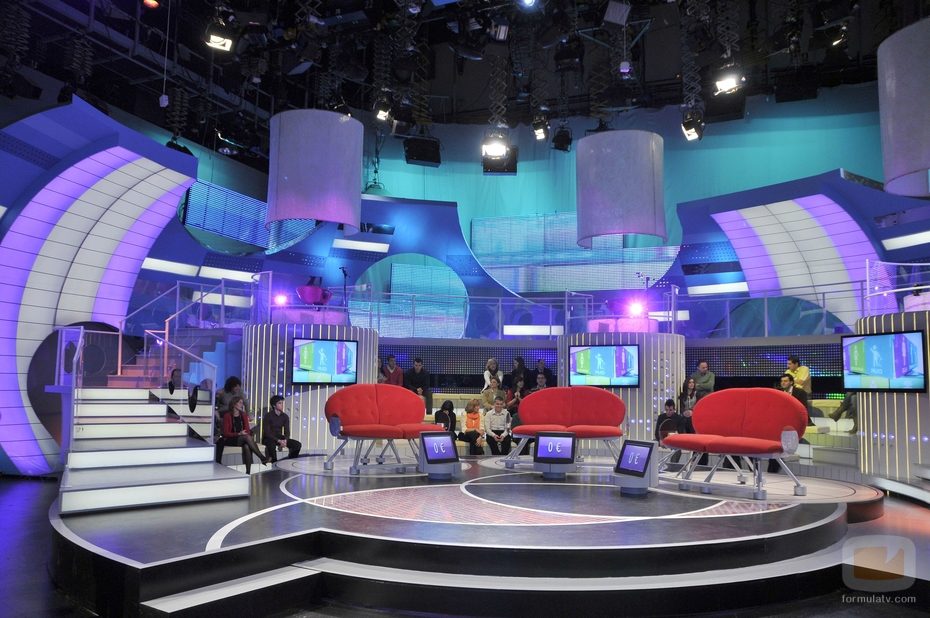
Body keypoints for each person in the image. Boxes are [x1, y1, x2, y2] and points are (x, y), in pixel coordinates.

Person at [221, 395, 268, 473]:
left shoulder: (243, 415)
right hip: (230, 439)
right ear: (234, 404)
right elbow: (226, 433)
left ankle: (248, 472)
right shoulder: (227, 416)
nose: (242, 405)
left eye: (242, 403)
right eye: (240, 403)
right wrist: (239, 434)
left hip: (242, 438)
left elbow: (248, 431)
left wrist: (243, 434)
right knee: (247, 437)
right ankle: (262, 457)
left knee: (246, 446)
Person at [214, 376, 247, 464]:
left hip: (235, 414)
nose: (237, 389)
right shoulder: (222, 392)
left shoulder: (240, 392)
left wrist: (248, 414)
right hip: (223, 414)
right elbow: (215, 406)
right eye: (235, 387)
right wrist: (217, 415)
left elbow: (246, 403)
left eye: (238, 387)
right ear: (230, 386)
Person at [261, 395, 301, 462]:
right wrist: (278, 441)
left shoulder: (285, 416)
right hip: (269, 438)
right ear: (274, 405)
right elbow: (267, 433)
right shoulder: (268, 416)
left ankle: (290, 461)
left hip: (279, 437)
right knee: (271, 445)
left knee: (297, 445)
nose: (282, 405)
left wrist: (285, 440)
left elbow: (287, 431)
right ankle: (274, 463)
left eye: (282, 403)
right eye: (279, 403)